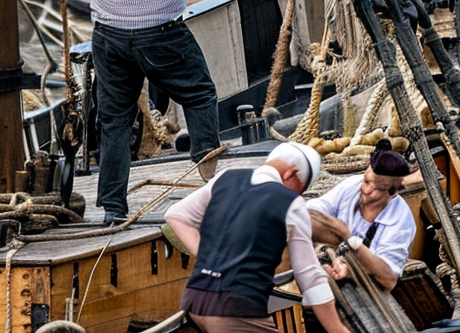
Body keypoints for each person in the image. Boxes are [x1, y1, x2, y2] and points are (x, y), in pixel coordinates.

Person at [71, 0, 220, 225]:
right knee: (200, 95)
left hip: (110, 37)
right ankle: (207, 172)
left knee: (114, 120)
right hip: (162, 34)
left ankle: (113, 208)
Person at [164, 142, 352, 333]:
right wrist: (337, 328)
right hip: (234, 310)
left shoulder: (226, 177)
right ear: (291, 173)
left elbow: (176, 215)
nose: (298, 194)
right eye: (299, 189)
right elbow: (309, 276)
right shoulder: (291, 203)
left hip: (195, 300)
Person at [307, 143, 416, 292]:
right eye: (366, 181)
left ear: (393, 192)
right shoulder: (353, 185)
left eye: (377, 188)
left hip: (367, 289)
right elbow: (318, 207)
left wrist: (351, 241)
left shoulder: (400, 221)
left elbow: (388, 278)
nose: (367, 189)